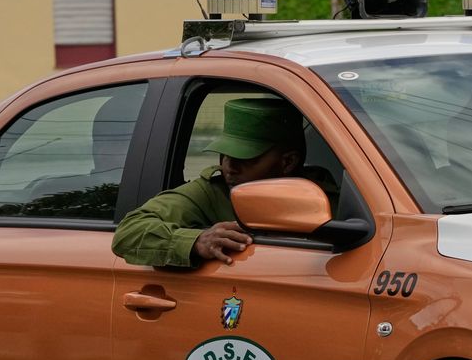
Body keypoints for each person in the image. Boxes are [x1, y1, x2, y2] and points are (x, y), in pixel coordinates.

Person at [112, 97, 335, 267]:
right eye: (225, 154)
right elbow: (128, 232)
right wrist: (195, 241)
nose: (229, 167)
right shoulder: (210, 192)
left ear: (288, 162)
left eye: (244, 158)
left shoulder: (330, 198)